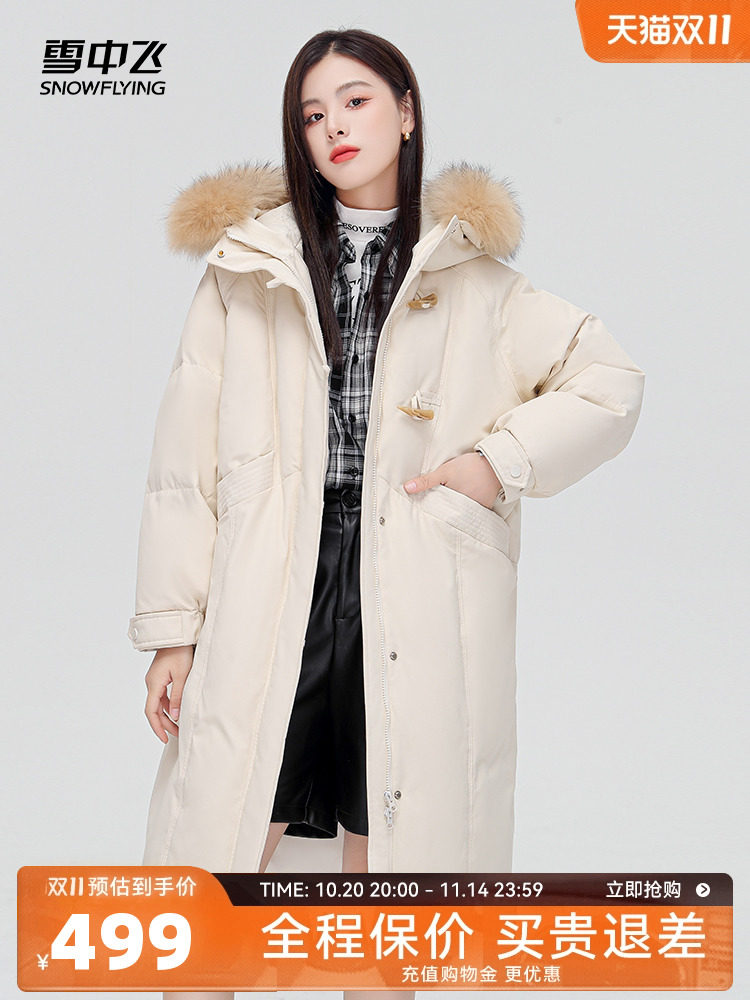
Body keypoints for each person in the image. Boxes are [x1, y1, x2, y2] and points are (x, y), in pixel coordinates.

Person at [127, 27, 645, 1000]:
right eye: (312, 114)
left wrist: (494, 464)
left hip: (410, 579)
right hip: (272, 577)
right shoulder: (246, 269)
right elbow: (183, 464)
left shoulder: (474, 278)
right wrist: (172, 630)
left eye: (356, 100)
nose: (334, 126)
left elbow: (609, 381)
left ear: (406, 112)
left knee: (394, 846)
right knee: (225, 838)